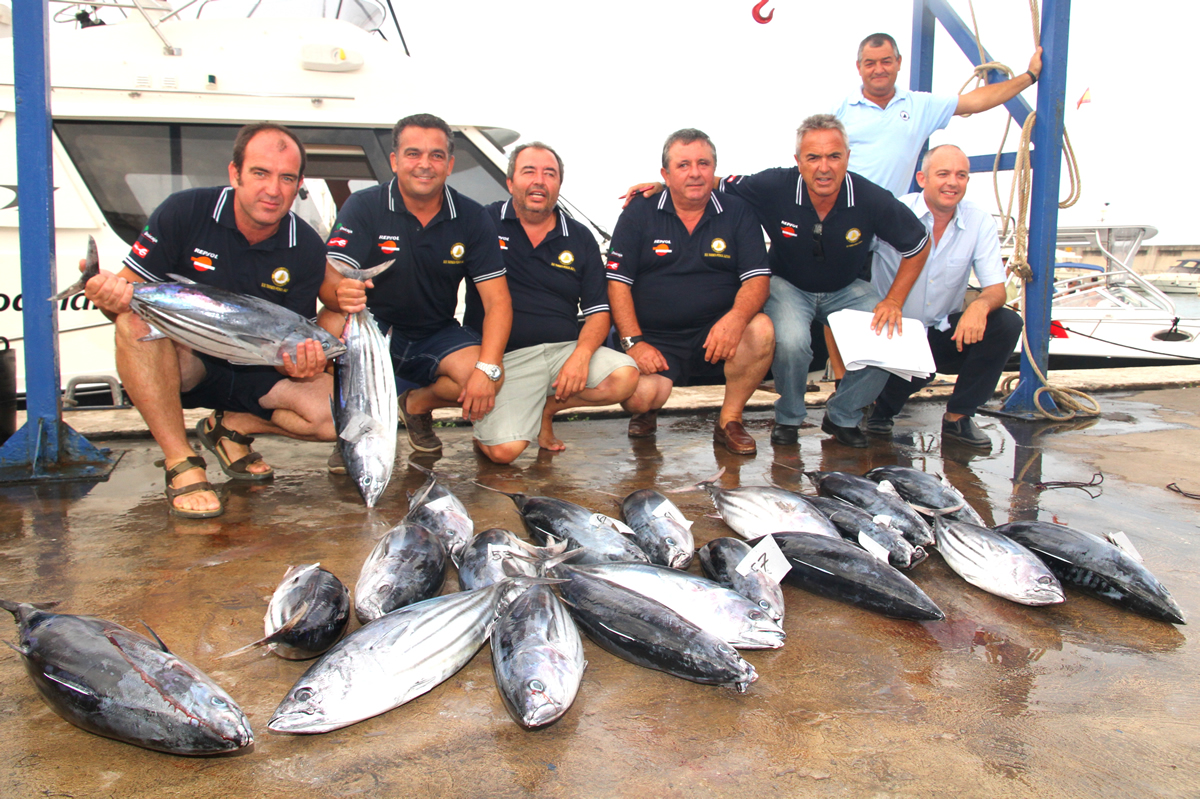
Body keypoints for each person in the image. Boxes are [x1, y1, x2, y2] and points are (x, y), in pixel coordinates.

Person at [83, 123, 334, 518]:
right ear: (235, 173)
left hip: (256, 369)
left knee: (339, 417)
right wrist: (107, 296)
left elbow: (291, 334)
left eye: (286, 178)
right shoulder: (184, 212)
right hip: (188, 364)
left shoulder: (305, 246)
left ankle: (231, 427)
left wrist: (305, 364)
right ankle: (180, 460)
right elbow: (125, 296)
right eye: (260, 173)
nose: (273, 189)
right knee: (131, 323)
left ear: (299, 184)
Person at [716, 114, 932, 448]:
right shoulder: (773, 186)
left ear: (847, 157)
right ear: (798, 161)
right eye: (813, 157)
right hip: (787, 284)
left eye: (834, 156)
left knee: (888, 342)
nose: (824, 167)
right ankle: (788, 417)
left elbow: (918, 244)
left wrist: (893, 301)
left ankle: (842, 415)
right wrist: (661, 187)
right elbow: (712, 184)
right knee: (791, 341)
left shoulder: (871, 197)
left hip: (847, 287)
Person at [319, 113, 512, 457]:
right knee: (331, 322)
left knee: (491, 376)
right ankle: (350, 434)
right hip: (373, 325)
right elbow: (330, 276)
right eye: (413, 154)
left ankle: (417, 406)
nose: (425, 164)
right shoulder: (364, 205)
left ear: (449, 164)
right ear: (394, 161)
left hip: (435, 331)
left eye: (436, 155)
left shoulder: (471, 216)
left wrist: (487, 368)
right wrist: (340, 292)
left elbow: (498, 301)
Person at [465, 142, 638, 463]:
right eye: (529, 172)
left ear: (559, 184)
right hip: (505, 358)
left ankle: (545, 410)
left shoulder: (580, 236)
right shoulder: (484, 222)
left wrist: (581, 357)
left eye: (550, 174)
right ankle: (501, 423)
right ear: (510, 182)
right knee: (503, 455)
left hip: (563, 352)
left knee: (625, 377)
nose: (539, 181)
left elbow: (599, 312)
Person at [607, 129, 775, 456]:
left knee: (762, 330)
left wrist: (736, 320)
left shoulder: (738, 212)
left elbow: (757, 280)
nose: (695, 172)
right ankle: (647, 412)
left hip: (717, 335)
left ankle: (730, 420)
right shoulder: (638, 212)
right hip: (656, 340)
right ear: (665, 175)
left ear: (714, 170)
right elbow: (617, 283)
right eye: (683, 165)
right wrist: (634, 343)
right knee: (638, 395)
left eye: (703, 163)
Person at [866, 144, 1022, 449]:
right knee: (877, 418)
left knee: (1006, 323)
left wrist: (980, 305)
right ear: (922, 178)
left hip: (938, 335)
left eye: (961, 175)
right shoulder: (893, 212)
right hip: (889, 337)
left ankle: (959, 418)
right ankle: (874, 409)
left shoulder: (979, 221)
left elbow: (996, 288)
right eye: (944, 174)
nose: (953, 182)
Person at [837, 31, 1043, 197]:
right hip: (842, 218)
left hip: (888, 223)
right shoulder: (838, 111)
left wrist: (1029, 76)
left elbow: (975, 101)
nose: (878, 69)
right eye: (870, 63)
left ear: (899, 62)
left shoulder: (920, 106)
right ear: (859, 67)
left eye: (886, 61)